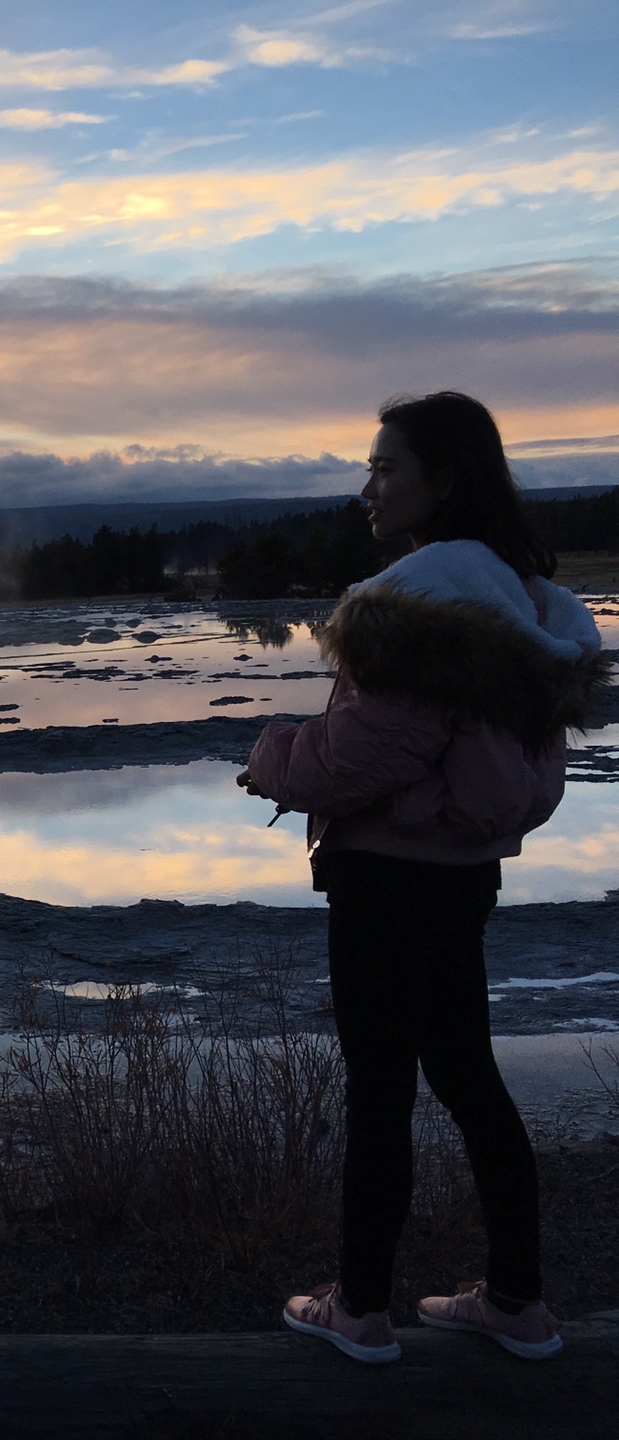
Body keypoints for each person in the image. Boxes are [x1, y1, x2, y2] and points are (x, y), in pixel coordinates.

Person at [239, 391, 607, 1364]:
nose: (369, 488)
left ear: (442, 482)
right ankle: (519, 1304)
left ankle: (359, 1310)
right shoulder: (519, 605)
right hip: (460, 875)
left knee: (380, 1092)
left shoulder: (417, 608)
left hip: (384, 880)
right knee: (469, 1077)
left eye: (386, 468)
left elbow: (367, 756)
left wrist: (273, 759)